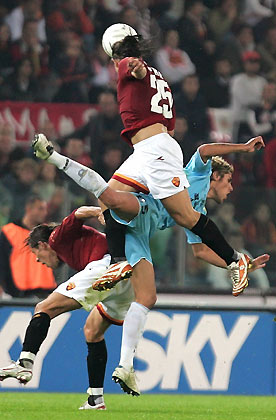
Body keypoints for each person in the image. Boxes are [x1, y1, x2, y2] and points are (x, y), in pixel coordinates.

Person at [31, 22, 264, 394]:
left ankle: (234, 258)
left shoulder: (129, 64)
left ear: (113, 52)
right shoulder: (159, 77)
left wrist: (130, 66)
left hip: (156, 153)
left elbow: (132, 68)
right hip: (147, 152)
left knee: (185, 215)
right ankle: (118, 260)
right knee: (108, 198)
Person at [32, 132, 267, 397]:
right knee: (107, 196)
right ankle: (53, 157)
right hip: (143, 207)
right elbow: (205, 148)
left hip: (141, 233)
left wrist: (235, 264)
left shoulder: (197, 211)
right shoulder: (197, 173)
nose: (232, 187)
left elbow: (200, 251)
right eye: (229, 181)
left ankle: (125, 366)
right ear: (216, 176)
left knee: (147, 297)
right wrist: (243, 148)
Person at [0, 205, 134, 410]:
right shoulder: (71, 248)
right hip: (126, 279)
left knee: (43, 307)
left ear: (43, 245)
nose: (39, 260)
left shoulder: (57, 237)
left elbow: (79, 212)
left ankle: (24, 364)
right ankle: (95, 399)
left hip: (106, 267)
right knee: (92, 331)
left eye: (36, 253)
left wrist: (99, 211)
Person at [0, 195, 56, 298]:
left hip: (44, 291)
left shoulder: (47, 232)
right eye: (40, 209)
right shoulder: (10, 231)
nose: (44, 213)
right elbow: (0, 260)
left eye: (45, 209)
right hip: (18, 291)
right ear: (28, 209)